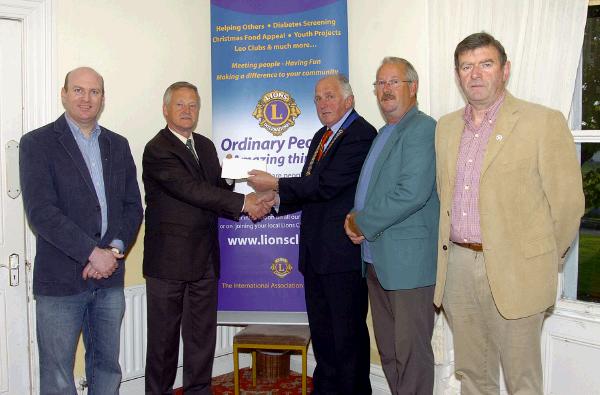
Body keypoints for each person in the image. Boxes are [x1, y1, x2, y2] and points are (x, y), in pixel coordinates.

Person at [434, 32, 585, 395]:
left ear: (505, 70)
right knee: (472, 375)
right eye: (466, 67)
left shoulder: (541, 122)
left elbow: (567, 204)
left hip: (518, 271)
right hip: (457, 267)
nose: (475, 74)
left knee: (522, 380)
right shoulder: (446, 127)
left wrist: (542, 257)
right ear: (457, 75)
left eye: (486, 64)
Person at [248, 74, 376, 395]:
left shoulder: (361, 134)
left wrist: (275, 184)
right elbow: (308, 191)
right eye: (318, 98)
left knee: (347, 341)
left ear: (349, 100)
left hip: (343, 256)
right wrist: (273, 200)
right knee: (323, 339)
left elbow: (326, 185)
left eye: (330, 96)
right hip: (316, 255)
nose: (323, 104)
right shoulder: (322, 135)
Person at [142, 81, 273, 394]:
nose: (188, 111)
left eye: (193, 105)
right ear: (166, 109)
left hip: (205, 258)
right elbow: (191, 190)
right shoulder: (157, 149)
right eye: (180, 105)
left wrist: (230, 174)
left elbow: (214, 189)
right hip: (168, 262)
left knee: (202, 337)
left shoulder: (204, 145)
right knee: (163, 343)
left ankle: (199, 390)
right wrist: (245, 203)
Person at [19, 66, 143, 395]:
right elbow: (41, 212)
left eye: (94, 92)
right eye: (78, 90)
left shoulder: (118, 144)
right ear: (64, 94)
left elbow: (133, 206)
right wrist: (93, 253)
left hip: (110, 277)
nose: (86, 98)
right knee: (58, 372)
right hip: (60, 281)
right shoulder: (37, 143)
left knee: (106, 367)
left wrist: (113, 251)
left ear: (103, 99)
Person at [344, 57, 439, 395]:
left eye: (393, 82)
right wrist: (357, 220)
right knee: (389, 352)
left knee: (411, 354)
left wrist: (360, 221)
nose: (385, 90)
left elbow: (410, 193)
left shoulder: (422, 129)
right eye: (380, 83)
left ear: (412, 87)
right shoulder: (384, 132)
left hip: (409, 264)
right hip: (376, 260)